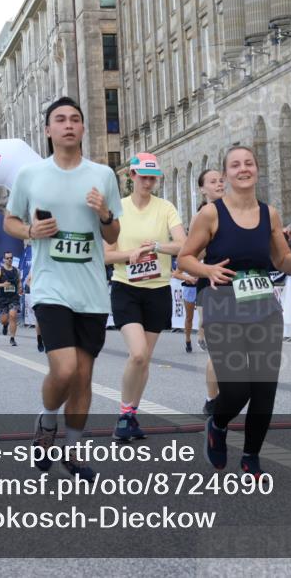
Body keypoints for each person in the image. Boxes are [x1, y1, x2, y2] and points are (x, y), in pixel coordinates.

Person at [4, 96, 122, 482]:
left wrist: (104, 213)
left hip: (90, 289)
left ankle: (72, 450)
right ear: (48, 130)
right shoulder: (30, 175)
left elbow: (113, 233)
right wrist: (29, 231)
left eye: (75, 119)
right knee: (66, 369)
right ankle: (47, 421)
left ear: (83, 128)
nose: (68, 124)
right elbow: (10, 221)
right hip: (51, 286)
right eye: (60, 119)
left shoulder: (103, 174)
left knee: (84, 377)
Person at [179, 146, 291, 478]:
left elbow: (280, 260)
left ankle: (251, 455)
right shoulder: (211, 214)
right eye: (236, 165)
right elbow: (185, 258)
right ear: (224, 176)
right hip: (223, 305)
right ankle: (218, 423)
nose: (244, 169)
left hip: (264, 307)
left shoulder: (270, 214)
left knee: (265, 387)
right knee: (238, 388)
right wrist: (208, 270)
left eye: (249, 163)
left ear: (257, 170)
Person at [104, 153, 186, 442]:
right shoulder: (119, 209)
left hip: (158, 290)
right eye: (144, 177)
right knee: (137, 353)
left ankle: (131, 414)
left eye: (153, 177)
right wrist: (130, 255)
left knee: (144, 359)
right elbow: (105, 254)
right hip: (126, 287)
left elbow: (183, 246)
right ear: (132, 176)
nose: (149, 182)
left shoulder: (165, 208)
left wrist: (159, 247)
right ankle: (124, 414)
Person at [186, 168, 226, 416]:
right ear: (202, 188)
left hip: (239, 286)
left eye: (221, 180)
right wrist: (206, 264)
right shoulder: (202, 216)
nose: (219, 184)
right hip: (212, 286)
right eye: (213, 181)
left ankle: (229, 395)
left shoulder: (239, 210)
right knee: (220, 350)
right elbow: (190, 255)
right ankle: (212, 399)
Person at [0, 253, 22, 347]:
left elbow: (19, 281)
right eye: (7, 258)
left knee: (13, 315)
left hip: (14, 298)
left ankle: (12, 338)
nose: (9, 260)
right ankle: (5, 325)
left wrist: (20, 287)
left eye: (11, 258)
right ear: (4, 259)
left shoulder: (17, 270)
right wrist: (2, 285)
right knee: (4, 320)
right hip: (3, 299)